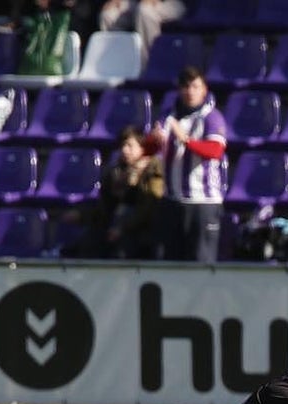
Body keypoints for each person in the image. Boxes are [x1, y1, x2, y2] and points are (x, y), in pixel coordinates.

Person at [146, 65, 226, 263]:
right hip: (172, 200)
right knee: (169, 261)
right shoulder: (168, 117)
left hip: (202, 202)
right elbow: (149, 150)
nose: (190, 92)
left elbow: (215, 150)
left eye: (196, 87)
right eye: (186, 87)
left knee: (200, 263)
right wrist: (152, 140)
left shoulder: (211, 118)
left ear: (204, 89)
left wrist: (187, 140)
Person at [94, 125, 163, 259]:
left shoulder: (153, 169)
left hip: (142, 230)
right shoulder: (116, 172)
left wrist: (122, 228)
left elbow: (148, 208)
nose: (125, 150)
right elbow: (106, 205)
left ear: (142, 147)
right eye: (122, 146)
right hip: (117, 226)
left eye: (130, 146)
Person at [98, 0, 185, 64]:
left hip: (171, 3)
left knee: (145, 12)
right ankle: (116, 64)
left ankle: (149, 64)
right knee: (108, 14)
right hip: (138, 3)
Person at [14, 0, 71, 77]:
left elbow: (69, 4)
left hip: (51, 66)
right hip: (28, 66)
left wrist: (51, 3)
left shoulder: (61, 15)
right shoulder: (33, 14)